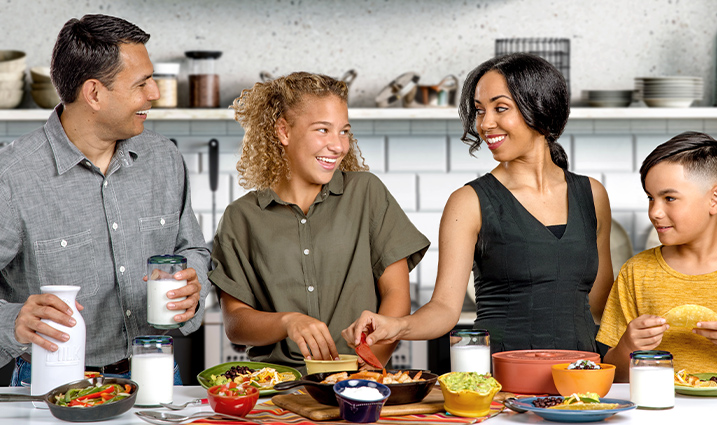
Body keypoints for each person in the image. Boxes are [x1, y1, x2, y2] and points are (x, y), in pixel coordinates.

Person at [343, 53, 614, 355]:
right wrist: (398, 326)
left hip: (584, 382)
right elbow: (445, 308)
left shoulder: (592, 194)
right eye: (479, 111)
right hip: (504, 384)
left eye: (500, 108)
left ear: (540, 107)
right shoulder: (469, 202)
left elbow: (602, 304)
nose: (485, 124)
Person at [0, 14, 210, 385]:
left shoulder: (164, 158)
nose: (155, 94)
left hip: (157, 373)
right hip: (56, 383)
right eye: (141, 84)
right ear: (94, 93)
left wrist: (193, 282)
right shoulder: (13, 177)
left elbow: (192, 248)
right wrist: (12, 319)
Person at [209, 72, 429, 370]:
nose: (338, 146)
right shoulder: (241, 218)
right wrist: (288, 322)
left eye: (344, 131)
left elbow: (396, 295)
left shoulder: (366, 193)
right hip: (277, 386)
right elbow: (235, 322)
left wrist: (372, 363)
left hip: (359, 378)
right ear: (283, 131)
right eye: (323, 130)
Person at [597, 131, 717, 381]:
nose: (655, 212)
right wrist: (627, 346)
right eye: (650, 198)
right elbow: (614, 378)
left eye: (669, 198)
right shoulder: (636, 272)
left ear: (715, 199)